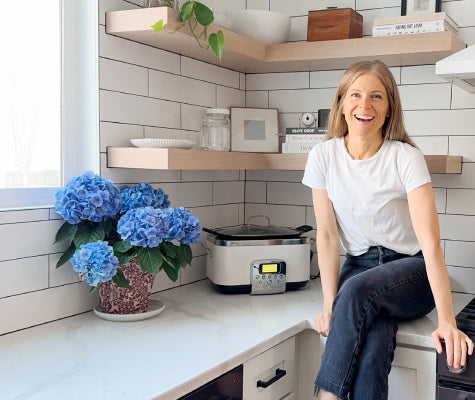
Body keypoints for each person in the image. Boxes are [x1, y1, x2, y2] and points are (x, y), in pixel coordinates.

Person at [302, 59, 474, 400]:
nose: (364, 105)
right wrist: (329, 304)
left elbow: (430, 243)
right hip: (360, 269)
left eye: (377, 96)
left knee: (355, 293)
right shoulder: (323, 156)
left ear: (389, 107)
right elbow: (328, 236)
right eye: (355, 95)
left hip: (411, 272)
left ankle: (326, 397)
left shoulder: (405, 157)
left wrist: (447, 321)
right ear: (341, 104)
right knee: (374, 341)